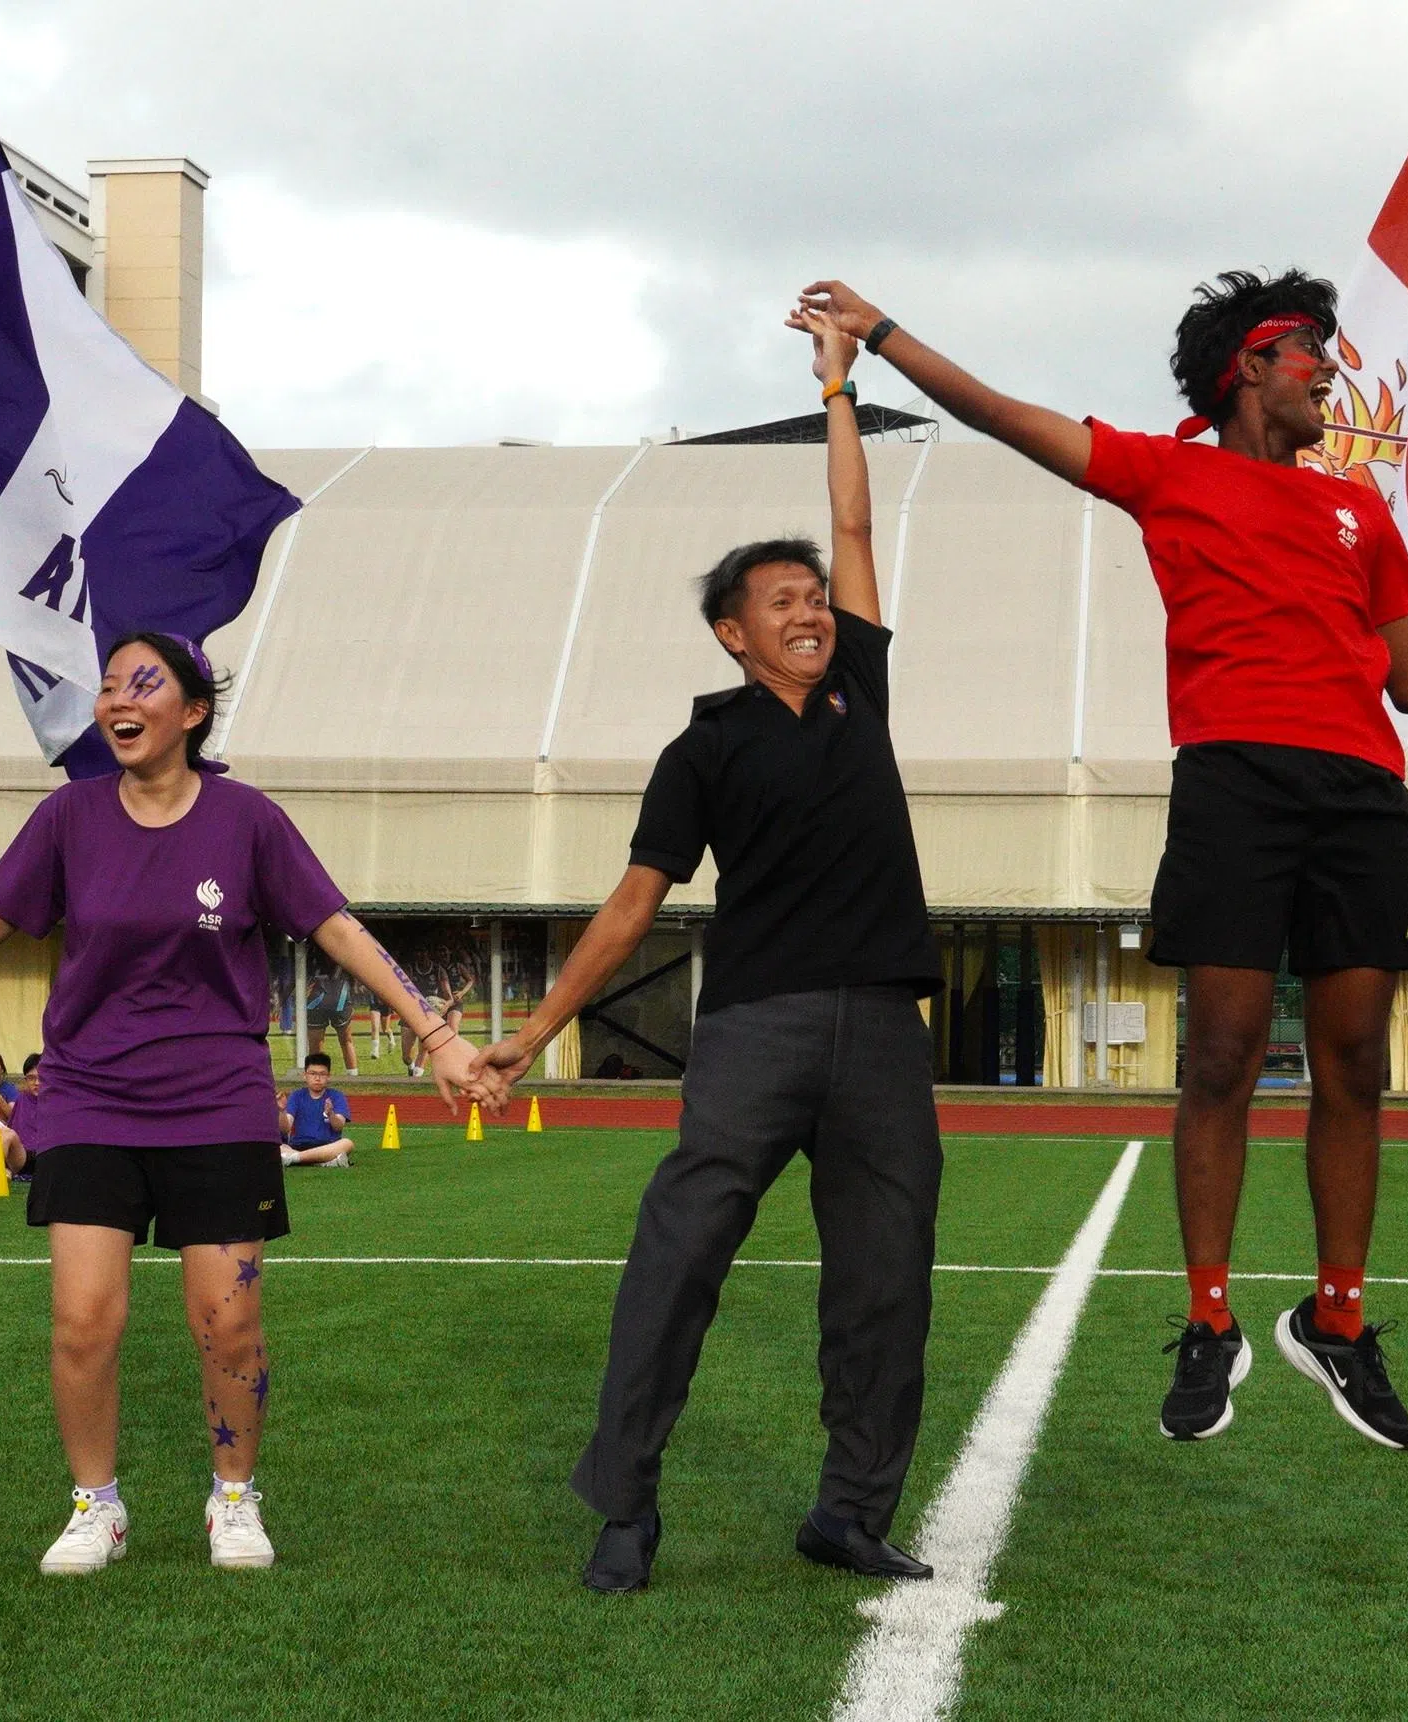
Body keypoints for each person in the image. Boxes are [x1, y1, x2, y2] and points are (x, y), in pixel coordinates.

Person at [795, 269, 1408, 1455]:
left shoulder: (1357, 514)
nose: (1332, 374)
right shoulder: (1165, 472)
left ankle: (1334, 1321)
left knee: (1352, 1060)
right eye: (1311, 355)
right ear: (1250, 365)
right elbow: (992, 411)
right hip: (1234, 785)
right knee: (1224, 1055)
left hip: (1359, 796)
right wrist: (875, 336)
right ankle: (1207, 1319)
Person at [479, 308, 950, 1594]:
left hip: (882, 1039)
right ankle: (624, 1508)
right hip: (754, 1030)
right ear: (731, 635)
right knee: (678, 1255)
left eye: (813, 600)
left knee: (883, 1281)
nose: (807, 611)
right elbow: (632, 908)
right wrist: (529, 1034)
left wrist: (839, 392)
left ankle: (849, 1513)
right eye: (779, 603)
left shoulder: (861, 687)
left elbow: (853, 527)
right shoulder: (700, 750)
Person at [0, 628, 490, 1580]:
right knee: (83, 1320)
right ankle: (97, 1506)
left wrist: (435, 1033)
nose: (116, 702)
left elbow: (336, 928)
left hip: (217, 1104)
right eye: (106, 687)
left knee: (229, 1323)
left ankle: (233, 1497)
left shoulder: (248, 821)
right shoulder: (70, 818)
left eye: (142, 685)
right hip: (91, 1098)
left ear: (193, 712)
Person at [279, 1052, 353, 1168]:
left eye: (322, 1074)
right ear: (305, 1075)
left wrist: (331, 1114)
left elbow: (338, 1126)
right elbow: (285, 1128)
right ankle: (323, 1162)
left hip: (327, 1146)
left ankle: (294, 1158)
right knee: (277, 1146)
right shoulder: (296, 1095)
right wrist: (281, 1111)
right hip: (299, 1144)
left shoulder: (336, 1096)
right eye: (313, 1073)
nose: (317, 1078)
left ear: (328, 1076)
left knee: (347, 1143)